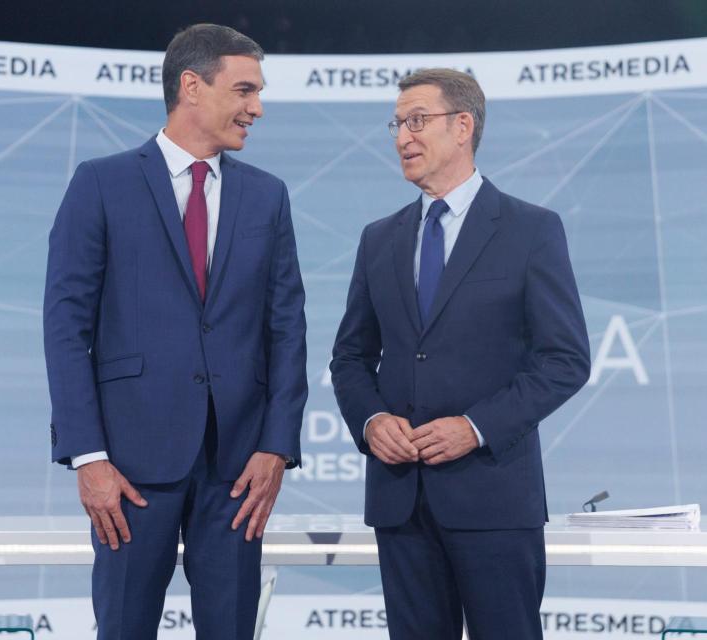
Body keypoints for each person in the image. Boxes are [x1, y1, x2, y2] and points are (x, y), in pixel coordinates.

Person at [43, 24, 307, 640]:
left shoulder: (267, 196)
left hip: (239, 473)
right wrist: (89, 457)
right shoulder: (101, 183)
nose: (257, 107)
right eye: (244, 90)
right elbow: (65, 327)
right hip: (128, 472)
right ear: (191, 86)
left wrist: (276, 448)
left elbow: (287, 328)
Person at [330, 68, 590, 639]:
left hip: (493, 498)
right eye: (397, 124)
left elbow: (564, 359)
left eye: (417, 121)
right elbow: (349, 358)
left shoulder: (531, 230)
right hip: (401, 501)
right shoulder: (379, 238)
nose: (403, 136)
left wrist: (475, 427)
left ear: (464, 126)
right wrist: (372, 421)